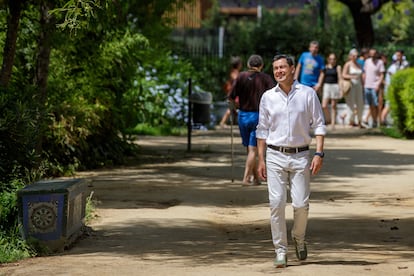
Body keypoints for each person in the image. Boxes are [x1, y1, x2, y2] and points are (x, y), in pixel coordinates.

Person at [256, 54, 326, 268]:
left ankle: (299, 237)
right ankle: (280, 250)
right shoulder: (268, 97)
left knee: (301, 204)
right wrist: (261, 160)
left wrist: (319, 153)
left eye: (282, 67)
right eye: (275, 68)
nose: (279, 71)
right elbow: (262, 130)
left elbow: (319, 124)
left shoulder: (307, 94)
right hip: (275, 155)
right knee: (276, 204)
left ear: (292, 69)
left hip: (301, 156)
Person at [229, 54, 275, 185]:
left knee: (249, 149)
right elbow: (274, 97)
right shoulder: (265, 78)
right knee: (253, 149)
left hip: (243, 116)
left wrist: (233, 111)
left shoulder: (241, 77)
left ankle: (256, 178)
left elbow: (231, 97)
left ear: (248, 65)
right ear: (261, 65)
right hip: (258, 117)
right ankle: (246, 178)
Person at [380, 50, 409, 125]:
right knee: (388, 104)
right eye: (397, 55)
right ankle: (382, 121)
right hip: (391, 88)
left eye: (399, 55)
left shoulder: (405, 65)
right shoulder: (392, 67)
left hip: (399, 88)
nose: (398, 57)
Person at [362, 48, 385, 128]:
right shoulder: (367, 61)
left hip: (375, 86)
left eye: (374, 53)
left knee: (376, 104)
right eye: (371, 53)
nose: (372, 55)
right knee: (370, 105)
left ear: (376, 54)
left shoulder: (380, 62)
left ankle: (377, 120)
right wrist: (363, 82)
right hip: (367, 86)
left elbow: (382, 74)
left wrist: (378, 84)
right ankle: (374, 120)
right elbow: (364, 72)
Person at [342, 48, 365, 128]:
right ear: (350, 56)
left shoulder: (359, 65)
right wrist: (352, 77)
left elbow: (361, 76)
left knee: (360, 104)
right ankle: (350, 121)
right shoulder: (348, 64)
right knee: (350, 104)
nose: (355, 57)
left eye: (356, 55)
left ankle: (360, 121)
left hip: (359, 86)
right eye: (354, 55)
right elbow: (343, 75)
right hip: (351, 86)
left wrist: (363, 85)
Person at [219, 56, 243, 128]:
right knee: (236, 108)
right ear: (238, 65)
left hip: (234, 94)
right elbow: (236, 81)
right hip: (234, 94)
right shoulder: (234, 73)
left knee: (233, 108)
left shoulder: (235, 72)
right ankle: (222, 122)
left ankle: (223, 122)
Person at [321, 53, 342, 129]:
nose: (332, 60)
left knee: (333, 106)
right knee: (324, 105)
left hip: (335, 86)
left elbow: (340, 78)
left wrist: (341, 89)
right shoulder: (325, 67)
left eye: (333, 59)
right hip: (326, 86)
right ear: (328, 59)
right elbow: (321, 77)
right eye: (330, 59)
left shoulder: (338, 67)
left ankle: (333, 123)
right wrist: (319, 85)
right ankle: (328, 119)